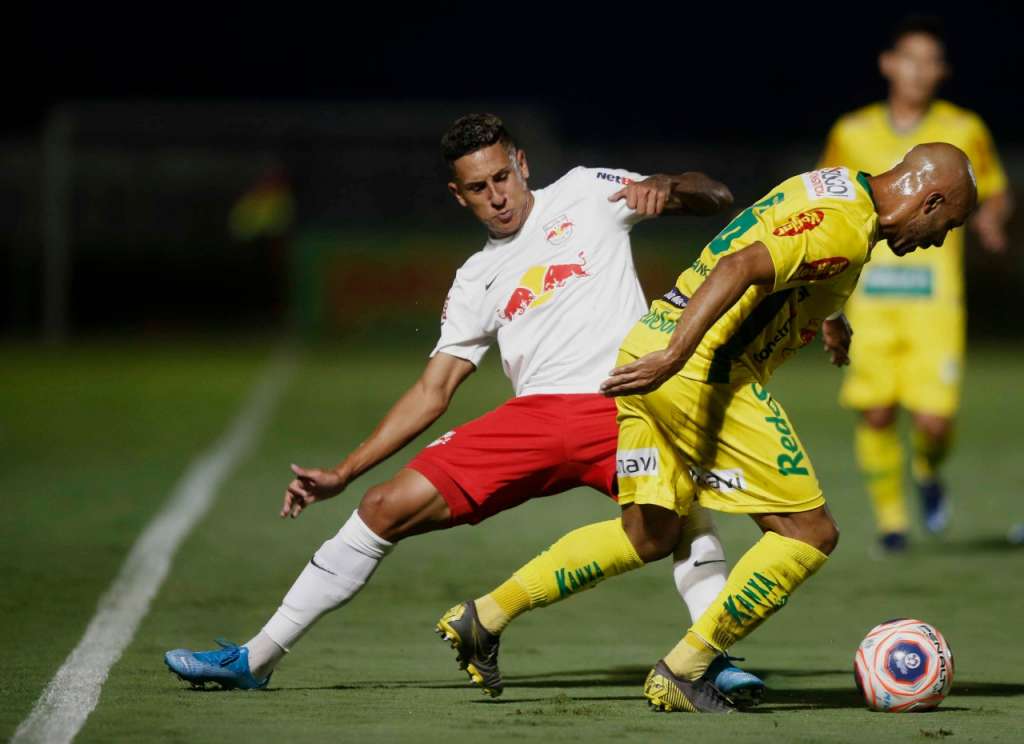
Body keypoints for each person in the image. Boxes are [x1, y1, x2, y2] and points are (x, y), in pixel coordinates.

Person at [163, 113, 755, 696]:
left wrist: (669, 184)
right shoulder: (476, 278)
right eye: (479, 187)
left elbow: (715, 193)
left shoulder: (586, 191)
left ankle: (711, 659)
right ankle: (256, 659)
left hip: (628, 408)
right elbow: (433, 391)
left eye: (502, 177)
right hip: (536, 421)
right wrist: (343, 472)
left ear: (521, 165)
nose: (497, 196)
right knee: (382, 506)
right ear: (458, 194)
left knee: (679, 519)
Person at [450, 143, 978, 713]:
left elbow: (785, 246)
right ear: (930, 201)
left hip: (644, 344)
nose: (938, 240)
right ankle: (685, 669)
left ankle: (485, 616)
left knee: (650, 532)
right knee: (809, 533)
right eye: (946, 225)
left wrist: (827, 316)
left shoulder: (837, 185)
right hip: (702, 371)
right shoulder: (848, 226)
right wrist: (679, 356)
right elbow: (741, 264)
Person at [820, 16, 1012, 551]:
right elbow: (831, 192)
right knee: (877, 410)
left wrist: (993, 218)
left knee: (932, 422)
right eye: (910, 57)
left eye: (930, 60)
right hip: (872, 300)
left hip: (934, 302)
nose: (919, 69)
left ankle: (928, 472)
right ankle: (892, 525)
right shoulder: (851, 132)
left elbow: (993, 190)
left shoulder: (965, 128)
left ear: (941, 72)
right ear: (888, 64)